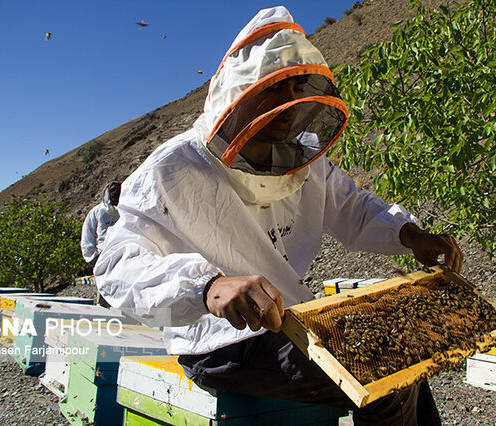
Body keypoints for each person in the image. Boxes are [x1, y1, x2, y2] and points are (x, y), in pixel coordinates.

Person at [95, 6, 462, 425]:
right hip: (220, 342)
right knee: (386, 373)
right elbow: (117, 263)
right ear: (240, 95)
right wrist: (207, 287)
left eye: (296, 91)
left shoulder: (302, 158)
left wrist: (409, 233)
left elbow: (351, 206)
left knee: (405, 360)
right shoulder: (173, 167)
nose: (288, 108)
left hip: (292, 320)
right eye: (275, 91)